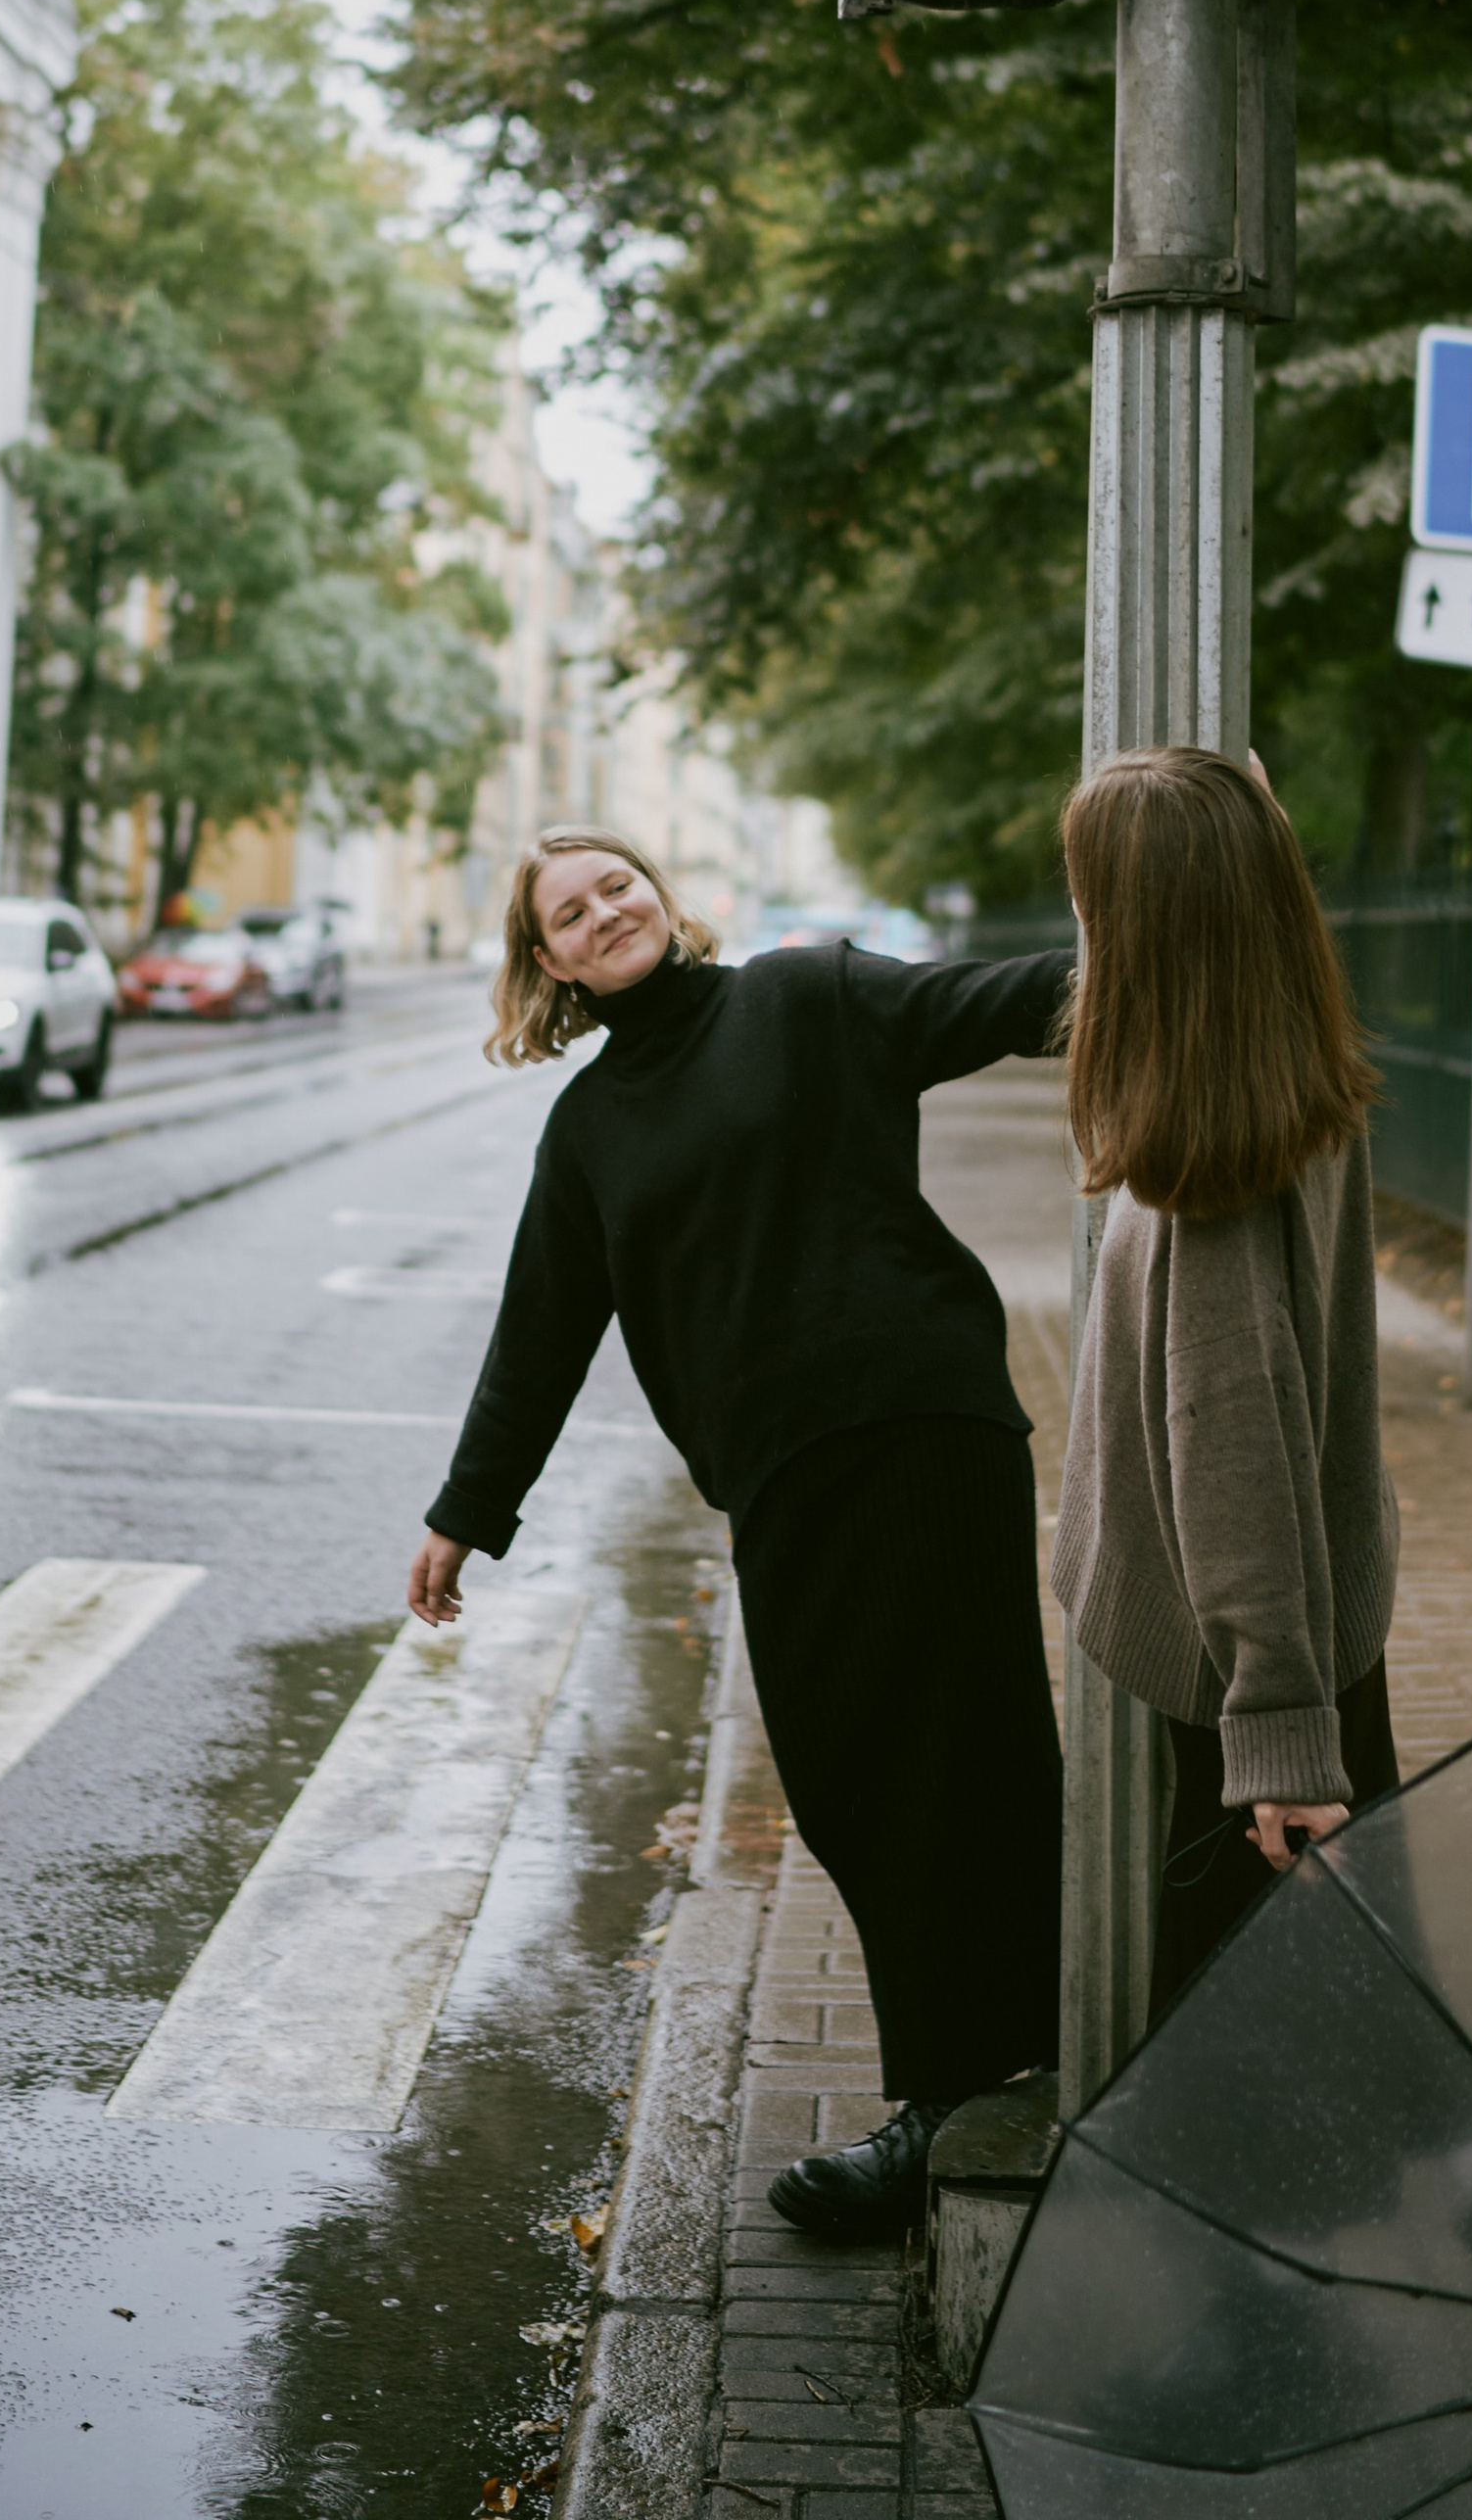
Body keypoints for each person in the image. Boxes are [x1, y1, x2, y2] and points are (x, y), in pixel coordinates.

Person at [408, 828, 1073, 2239]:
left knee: (968, 1743)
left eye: (616, 888)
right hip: (778, 1475)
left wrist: (1163, 959)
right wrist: (466, 1515)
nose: (604, 915)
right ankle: (1004, 2062)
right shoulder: (587, 1131)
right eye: (570, 916)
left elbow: (997, 1001)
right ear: (546, 966)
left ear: (661, 893)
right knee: (843, 1777)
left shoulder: (805, 996)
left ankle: (963, 2093)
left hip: (923, 1421)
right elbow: (540, 1337)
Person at [1050, 745, 1398, 2023]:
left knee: (1259, 2063)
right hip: (1303, 1632)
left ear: (1148, 931)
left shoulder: (1211, 1178)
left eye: (1094, 892)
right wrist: (1247, 818)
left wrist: (1286, 1747)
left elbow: (1235, 1456)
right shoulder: (1284, 1077)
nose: (1078, 916)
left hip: (1250, 1676)